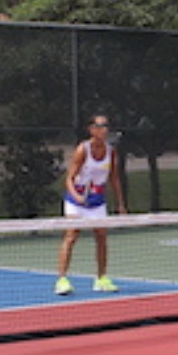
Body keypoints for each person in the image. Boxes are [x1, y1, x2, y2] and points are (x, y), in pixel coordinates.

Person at [55, 113, 128, 295]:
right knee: (72, 236)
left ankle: (101, 278)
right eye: (99, 125)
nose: (103, 129)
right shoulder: (83, 150)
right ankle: (62, 280)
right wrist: (77, 197)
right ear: (91, 129)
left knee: (102, 237)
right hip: (76, 201)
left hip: (97, 202)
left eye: (105, 126)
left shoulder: (111, 151)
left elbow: (114, 179)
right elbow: (69, 179)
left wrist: (120, 204)